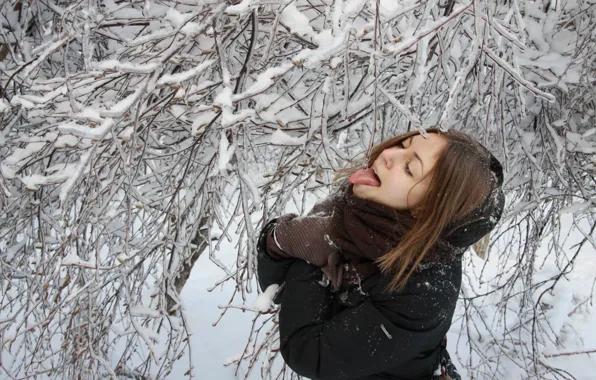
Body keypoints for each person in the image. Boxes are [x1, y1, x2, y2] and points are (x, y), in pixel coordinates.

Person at [256, 128, 505, 380]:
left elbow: (308, 352)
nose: (388, 154)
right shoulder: (360, 209)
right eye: (403, 145)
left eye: (410, 168)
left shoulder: (422, 292)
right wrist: (279, 240)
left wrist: (313, 254)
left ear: (427, 212)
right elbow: (281, 291)